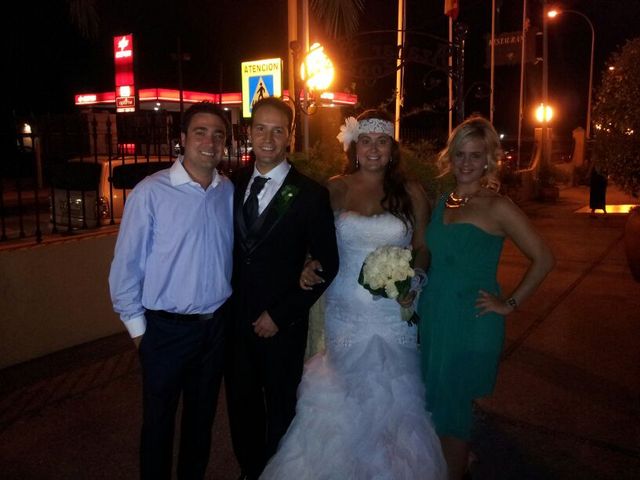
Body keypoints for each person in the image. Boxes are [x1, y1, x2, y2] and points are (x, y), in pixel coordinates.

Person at [260, 110, 447, 479]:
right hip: (346, 311)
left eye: (382, 141)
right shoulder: (337, 187)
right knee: (344, 401)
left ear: (392, 149)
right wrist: (307, 263)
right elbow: (310, 239)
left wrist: (416, 278)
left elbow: (422, 247)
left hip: (395, 311)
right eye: (366, 140)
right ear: (354, 146)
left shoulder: (410, 191)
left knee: (396, 400)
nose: (374, 148)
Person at [418, 116, 555, 480]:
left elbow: (544, 258)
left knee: (454, 409)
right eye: (460, 154)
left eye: (475, 155)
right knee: (434, 402)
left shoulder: (498, 206)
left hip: (471, 319)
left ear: (488, 160)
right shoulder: (442, 200)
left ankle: (454, 471)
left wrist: (509, 304)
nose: (466, 163)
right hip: (434, 314)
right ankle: (459, 462)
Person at [108, 102, 234, 479]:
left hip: (215, 329)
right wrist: (140, 334)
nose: (209, 141)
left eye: (218, 134)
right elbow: (125, 268)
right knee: (159, 424)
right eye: (200, 132)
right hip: (165, 331)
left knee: (201, 423)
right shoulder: (152, 192)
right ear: (182, 140)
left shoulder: (226, 190)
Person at [224, 96, 339, 480]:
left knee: (281, 408)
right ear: (249, 132)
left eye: (277, 130)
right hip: (235, 324)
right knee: (241, 407)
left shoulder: (308, 193)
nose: (268, 138)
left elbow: (328, 263)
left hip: (281, 326)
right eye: (260, 128)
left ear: (289, 136)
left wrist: (281, 313)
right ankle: (250, 470)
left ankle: (278, 472)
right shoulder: (231, 183)